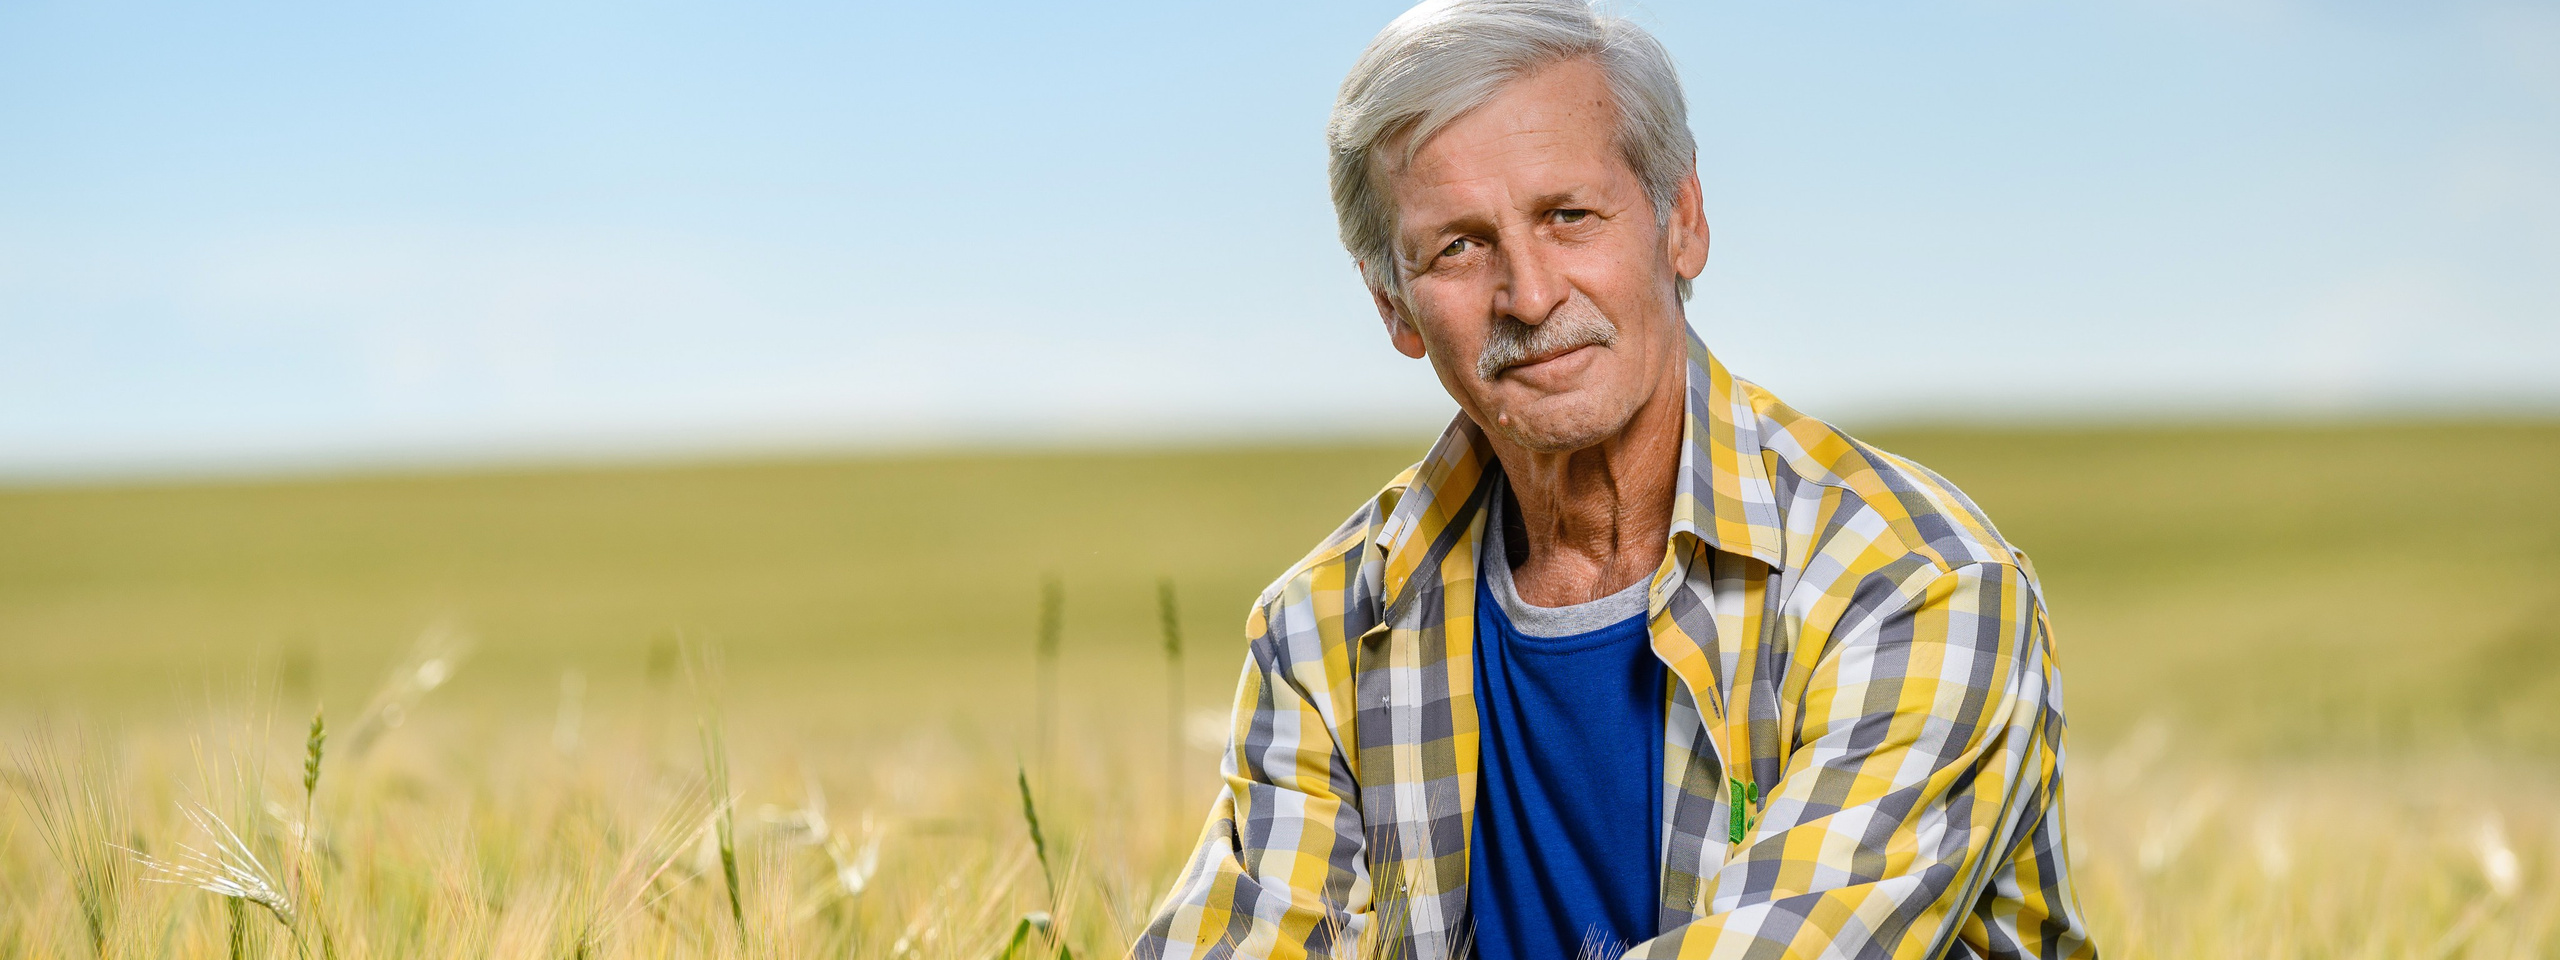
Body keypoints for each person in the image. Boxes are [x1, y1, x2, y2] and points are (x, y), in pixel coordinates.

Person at [1137, 2, 2096, 957]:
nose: (1531, 293)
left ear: (1682, 223)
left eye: (1569, 216)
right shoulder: (1324, 632)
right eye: (1459, 247)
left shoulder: (1912, 587)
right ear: (1393, 303)